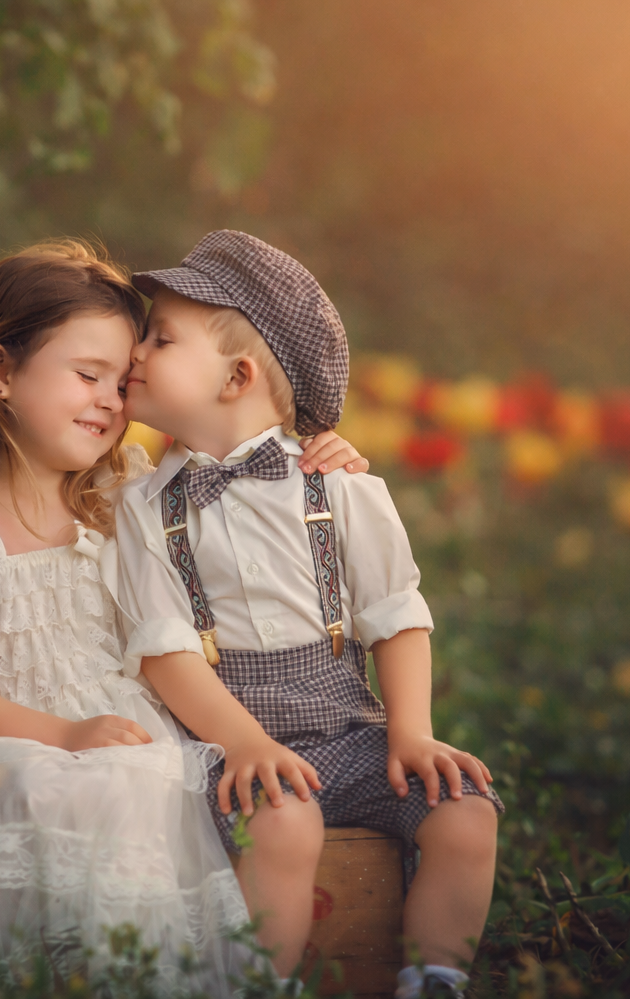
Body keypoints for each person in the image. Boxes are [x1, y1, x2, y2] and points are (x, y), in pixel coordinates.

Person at [0, 239, 368, 992]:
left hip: (143, 735)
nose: (112, 398)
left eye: (122, 377)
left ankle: (235, 985)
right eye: (86, 374)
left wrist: (319, 462)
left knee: (247, 809)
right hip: (12, 738)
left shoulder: (131, 488)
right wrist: (65, 736)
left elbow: (242, 456)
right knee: (40, 786)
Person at [112, 230, 505, 999]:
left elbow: (396, 618)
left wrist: (410, 732)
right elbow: (166, 651)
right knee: (282, 822)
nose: (135, 349)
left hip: (351, 733)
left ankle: (432, 978)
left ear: (237, 377)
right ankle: (265, 982)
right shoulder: (145, 507)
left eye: (159, 337)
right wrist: (248, 743)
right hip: (230, 738)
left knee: (463, 812)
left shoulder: (344, 489)